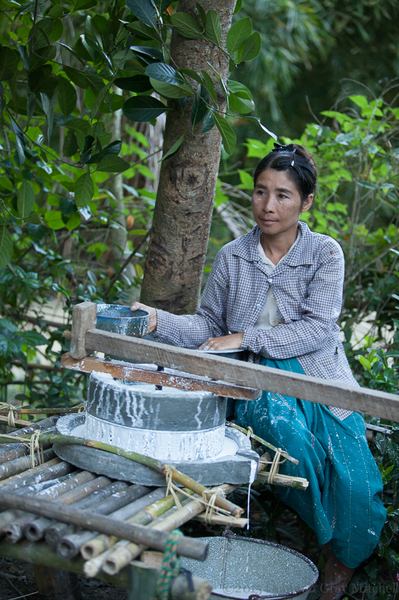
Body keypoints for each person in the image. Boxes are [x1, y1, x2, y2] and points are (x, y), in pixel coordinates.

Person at [131, 143, 386, 600]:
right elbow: (209, 325)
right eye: (260, 192)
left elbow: (317, 329)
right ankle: (321, 532)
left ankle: (339, 568)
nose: (268, 206)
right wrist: (157, 320)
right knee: (293, 450)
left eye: (283, 195)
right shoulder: (233, 256)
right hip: (255, 382)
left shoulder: (325, 253)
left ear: (306, 202)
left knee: (356, 482)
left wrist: (246, 337)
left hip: (320, 377)